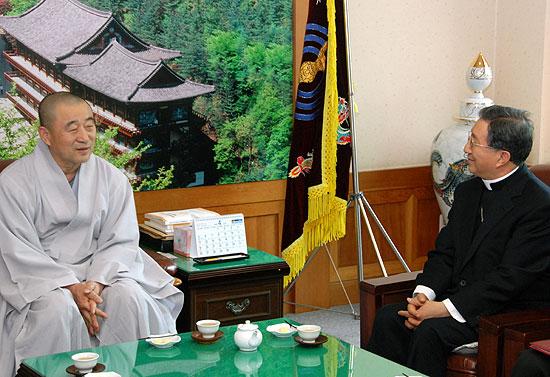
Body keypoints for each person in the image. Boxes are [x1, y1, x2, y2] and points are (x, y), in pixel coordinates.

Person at [0, 92, 184, 376]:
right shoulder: (13, 183)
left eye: (90, 126)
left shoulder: (111, 178)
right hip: (42, 281)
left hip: (100, 272)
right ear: (45, 135)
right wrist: (72, 287)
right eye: (72, 128)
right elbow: (18, 252)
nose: (85, 137)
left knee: (128, 296)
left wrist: (95, 284)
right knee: (58, 310)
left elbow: (120, 241)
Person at [366, 105, 550, 377]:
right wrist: (423, 295)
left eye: (474, 142)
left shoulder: (539, 205)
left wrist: (442, 309)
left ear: (502, 157)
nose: (466, 149)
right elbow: (445, 253)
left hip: (502, 313)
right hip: (460, 300)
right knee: (389, 319)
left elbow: (508, 280)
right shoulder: (468, 191)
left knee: (430, 331)